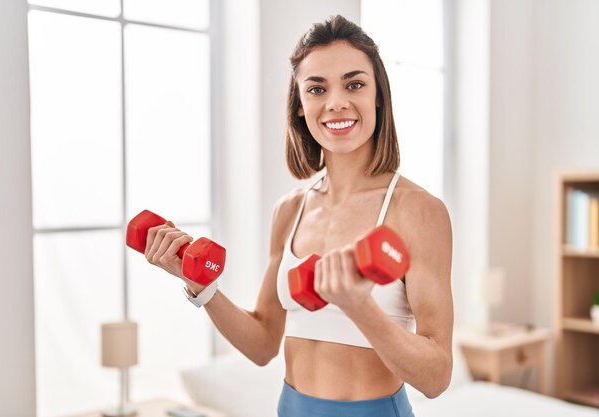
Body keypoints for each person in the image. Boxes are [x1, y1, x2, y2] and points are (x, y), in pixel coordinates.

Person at [144, 15, 453, 417]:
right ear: (301, 106)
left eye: (354, 84)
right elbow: (262, 345)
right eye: (317, 89)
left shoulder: (417, 210)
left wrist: (359, 307)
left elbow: (436, 378)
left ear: (379, 96)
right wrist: (201, 285)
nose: (336, 102)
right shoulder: (290, 209)